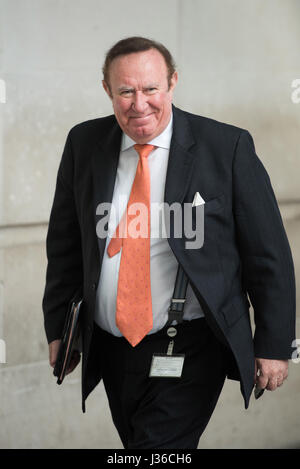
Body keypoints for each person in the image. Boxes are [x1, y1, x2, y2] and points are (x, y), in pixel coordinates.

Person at [43, 36, 296, 449]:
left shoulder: (226, 147)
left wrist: (274, 344)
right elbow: (65, 246)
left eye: (150, 89)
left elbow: (268, 254)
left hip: (192, 348)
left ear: (172, 83)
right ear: (107, 89)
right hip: (111, 348)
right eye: (125, 91)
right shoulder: (84, 144)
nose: (139, 104)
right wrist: (60, 328)